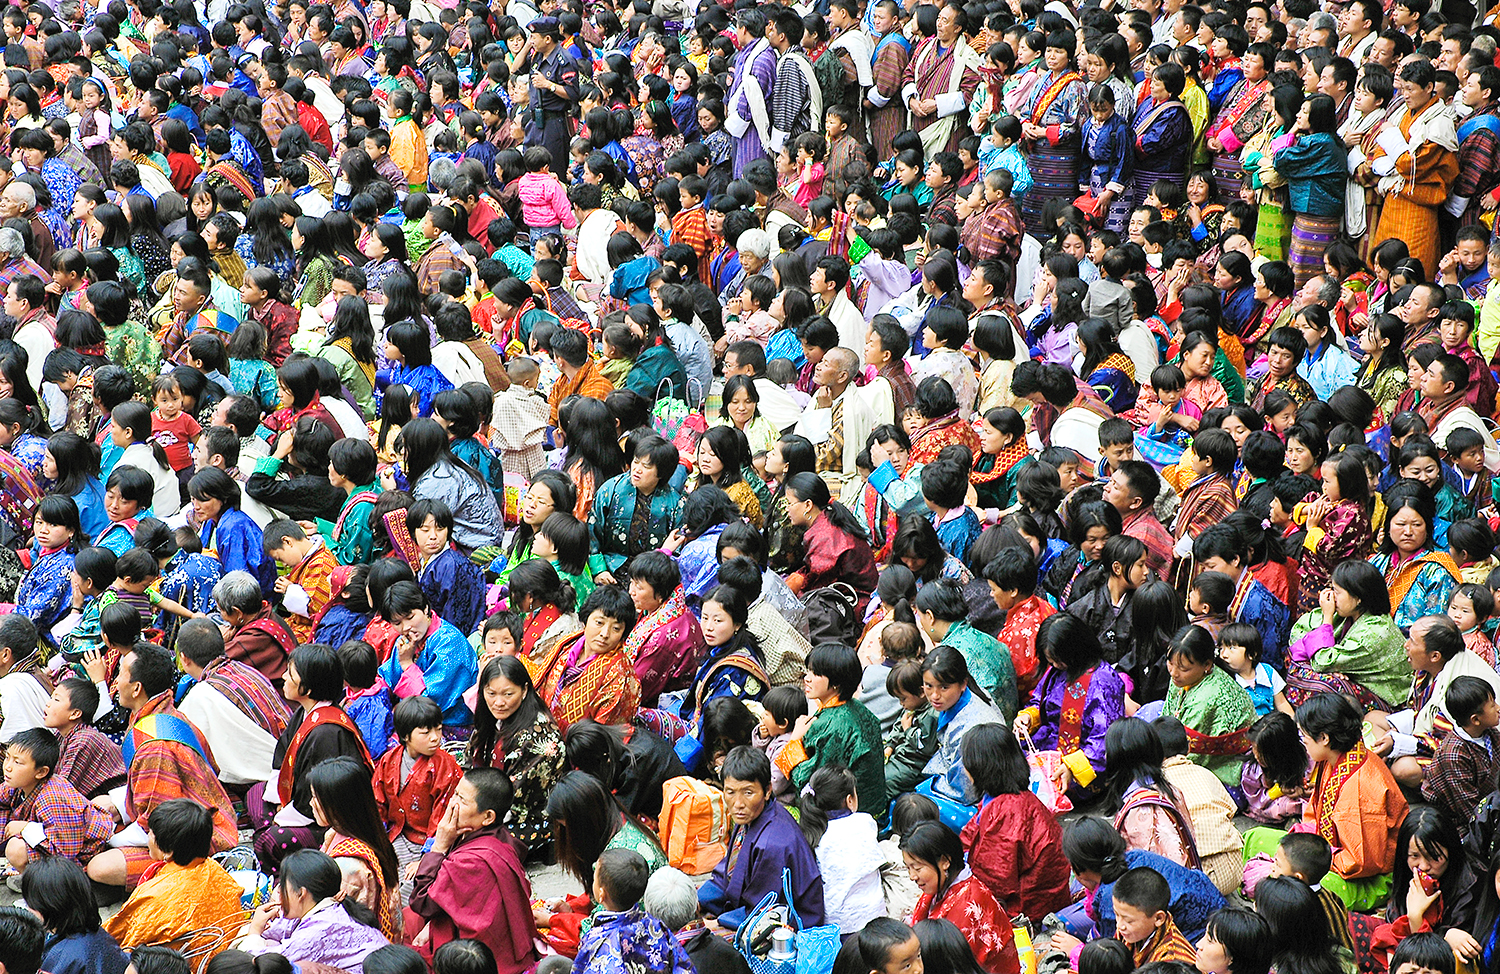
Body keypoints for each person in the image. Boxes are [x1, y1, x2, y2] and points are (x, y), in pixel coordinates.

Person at [85, 643, 237, 894]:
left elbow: (158, 824)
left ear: (136, 688)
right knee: (102, 804)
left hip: (195, 837)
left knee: (100, 866)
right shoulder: (167, 712)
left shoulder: (156, 748)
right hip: (186, 812)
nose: (116, 681)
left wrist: (105, 837)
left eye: (121, 673)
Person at [407, 768, 540, 973]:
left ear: (487, 817)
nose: (452, 803)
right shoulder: (498, 835)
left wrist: (438, 847)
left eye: (462, 800)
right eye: (455, 794)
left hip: (478, 960)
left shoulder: (471, 862)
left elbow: (422, 901)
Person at [698, 746, 825, 928]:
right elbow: (727, 873)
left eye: (748, 792)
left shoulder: (773, 844)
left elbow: (763, 911)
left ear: (767, 791)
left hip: (785, 922)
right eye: (730, 792)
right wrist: (698, 901)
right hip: (754, 904)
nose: (738, 804)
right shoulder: (751, 814)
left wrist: (715, 924)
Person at [103, 799, 245, 957]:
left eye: (151, 833)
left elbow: (118, 938)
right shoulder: (216, 870)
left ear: (169, 851)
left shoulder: (154, 897)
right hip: (222, 957)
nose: (148, 837)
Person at [959, 722, 1072, 919]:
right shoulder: (1007, 797)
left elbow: (994, 881)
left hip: (1029, 905)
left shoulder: (1007, 813)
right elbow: (970, 834)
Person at [1014, 613, 1127, 803]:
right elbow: (1039, 701)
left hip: (1083, 761)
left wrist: (1072, 767)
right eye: (1050, 661)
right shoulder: (1057, 670)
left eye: (1058, 660)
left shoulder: (1103, 682)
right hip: (1047, 748)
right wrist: (1029, 717)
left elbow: (1106, 740)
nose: (1055, 665)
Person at [901, 820, 1020, 974]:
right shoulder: (940, 887)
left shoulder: (967, 906)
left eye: (917, 868)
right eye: (908, 867)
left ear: (944, 861)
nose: (912, 876)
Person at [235, 849, 389, 967]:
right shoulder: (328, 907)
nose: (278, 894)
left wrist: (255, 930)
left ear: (301, 893)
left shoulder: (320, 929)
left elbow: (257, 962)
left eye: (284, 888)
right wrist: (260, 925)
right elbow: (283, 928)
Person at [573, 848, 695, 973]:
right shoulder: (656, 925)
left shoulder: (596, 940)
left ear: (601, 894)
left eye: (595, 879)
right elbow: (683, 966)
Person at [18, 857, 128, 974]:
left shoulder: (64, 957)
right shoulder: (93, 932)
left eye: (29, 903)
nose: (27, 909)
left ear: (49, 906)